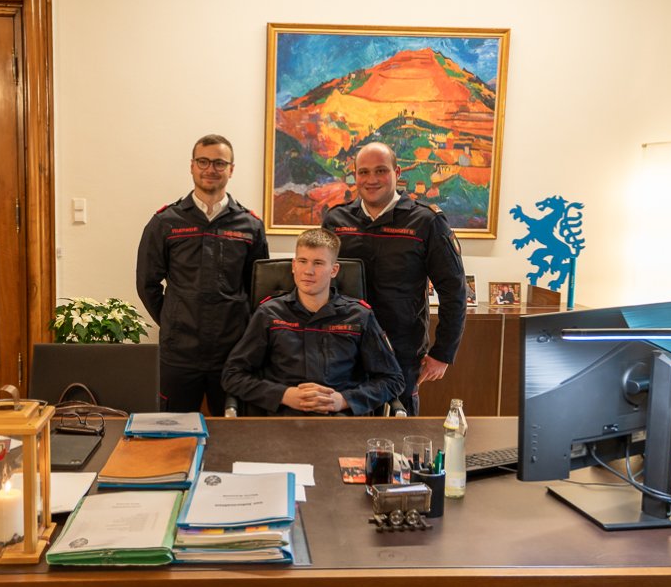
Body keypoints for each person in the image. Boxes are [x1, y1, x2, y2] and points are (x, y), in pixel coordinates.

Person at [322, 142, 466, 415]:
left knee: (397, 434)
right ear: (354, 175)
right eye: (363, 172)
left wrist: (442, 353)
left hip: (400, 355)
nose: (371, 179)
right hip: (344, 352)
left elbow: (454, 291)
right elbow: (320, 283)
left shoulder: (426, 222)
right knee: (341, 433)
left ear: (397, 173)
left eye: (381, 170)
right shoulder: (336, 221)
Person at [136, 134, 269, 415]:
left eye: (219, 163)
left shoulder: (250, 225)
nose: (211, 169)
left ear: (231, 169)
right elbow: (147, 283)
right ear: (192, 166)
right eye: (203, 162)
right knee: (172, 430)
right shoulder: (165, 222)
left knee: (234, 430)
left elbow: (259, 288)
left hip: (233, 350)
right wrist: (172, 320)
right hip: (179, 352)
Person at [221, 228, 404, 416]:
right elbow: (232, 375)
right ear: (294, 266)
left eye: (318, 263)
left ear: (334, 270)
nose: (308, 271)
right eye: (302, 261)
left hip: (341, 419)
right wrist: (283, 395)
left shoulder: (359, 316)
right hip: (284, 418)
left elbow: (393, 379)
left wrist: (344, 400)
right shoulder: (269, 313)